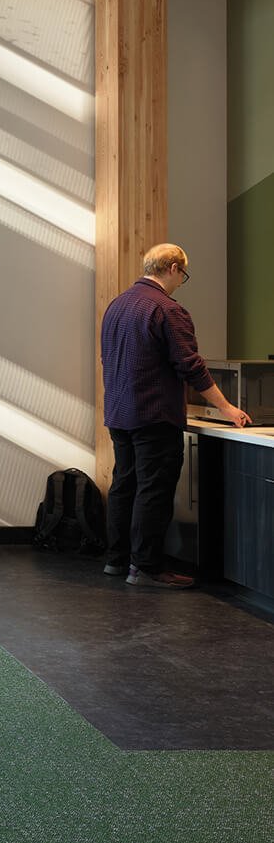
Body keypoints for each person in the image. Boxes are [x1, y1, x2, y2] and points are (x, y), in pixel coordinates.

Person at [101, 243, 250, 589]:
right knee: (154, 490)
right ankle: (147, 568)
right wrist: (226, 408)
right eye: (183, 274)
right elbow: (191, 366)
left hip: (119, 412)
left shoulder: (117, 305)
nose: (182, 281)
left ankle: (116, 560)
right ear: (171, 267)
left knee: (125, 485)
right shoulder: (168, 310)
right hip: (154, 414)